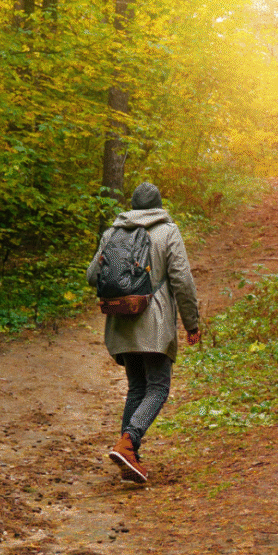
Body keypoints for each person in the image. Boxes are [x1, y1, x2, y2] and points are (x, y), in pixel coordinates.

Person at [86, 183, 201, 484]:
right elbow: (182, 280)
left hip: (121, 322)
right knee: (159, 387)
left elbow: (91, 276)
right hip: (155, 323)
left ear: (133, 206)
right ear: (159, 205)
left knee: (138, 387)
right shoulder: (167, 232)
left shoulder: (112, 233)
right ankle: (128, 441)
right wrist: (192, 323)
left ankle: (129, 457)